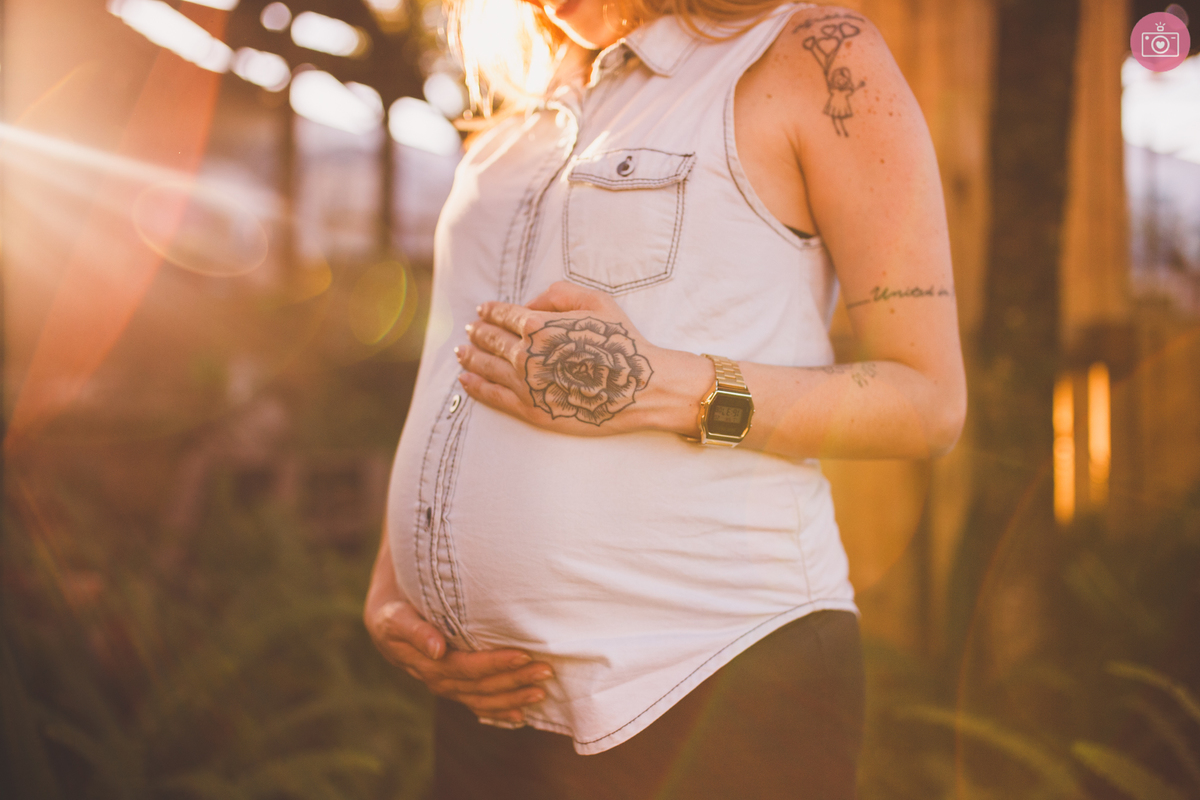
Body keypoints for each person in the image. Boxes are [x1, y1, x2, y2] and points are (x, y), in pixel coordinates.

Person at [364, 0, 966, 796]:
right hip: (492, 706)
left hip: (711, 681)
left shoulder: (809, 55)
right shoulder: (523, 99)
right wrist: (392, 586)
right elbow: (453, 358)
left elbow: (926, 402)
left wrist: (666, 389)